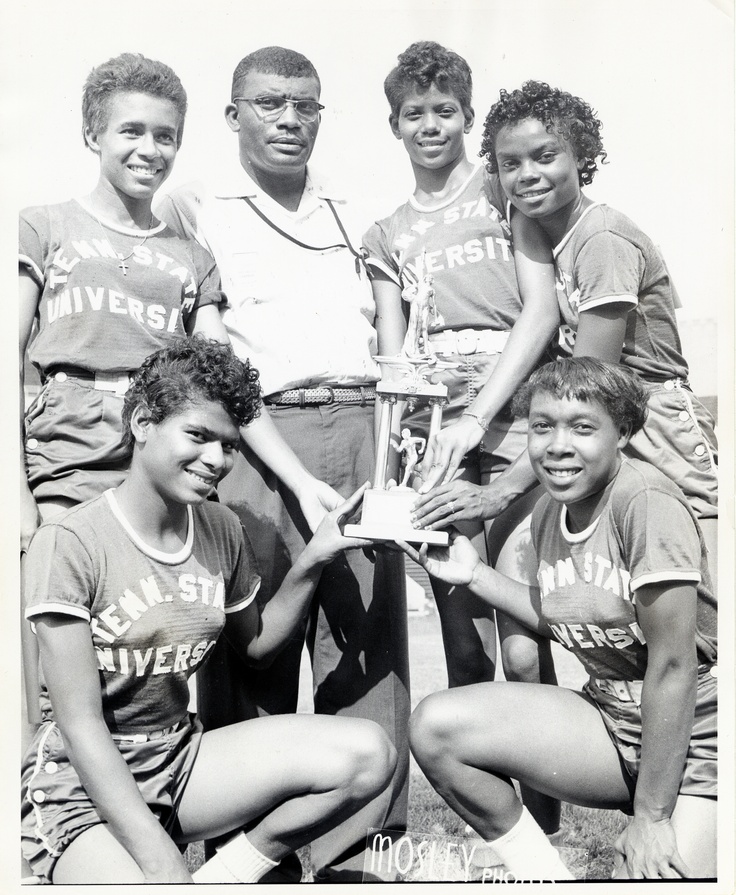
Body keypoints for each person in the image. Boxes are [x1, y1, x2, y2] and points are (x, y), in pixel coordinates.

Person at [18, 52, 336, 754]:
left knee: (152, 654)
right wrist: (15, 490)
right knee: (51, 672)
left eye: (165, 136)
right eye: (131, 132)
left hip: (154, 470)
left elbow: (227, 385)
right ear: (91, 133)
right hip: (65, 471)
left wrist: (300, 479)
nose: (149, 150)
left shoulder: (190, 258)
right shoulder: (44, 228)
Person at [157, 46, 409, 881]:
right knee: (253, 641)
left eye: (305, 105)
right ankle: (252, 856)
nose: (290, 120)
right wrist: (285, 472)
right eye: (270, 104)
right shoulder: (197, 206)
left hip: (358, 424)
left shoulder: (350, 212)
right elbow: (214, 357)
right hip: (257, 438)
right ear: (234, 117)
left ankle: (360, 853)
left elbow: (387, 334)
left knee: (366, 639)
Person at [21, 337, 397, 885]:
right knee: (157, 877)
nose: (217, 460)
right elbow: (79, 726)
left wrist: (315, 557)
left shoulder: (220, 528)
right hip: (78, 782)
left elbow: (257, 648)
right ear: (143, 422)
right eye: (197, 436)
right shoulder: (71, 542)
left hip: (178, 760)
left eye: (227, 444)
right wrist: (157, 854)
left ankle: (226, 873)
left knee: (369, 754)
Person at [402, 357, 717, 881]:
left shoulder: (644, 500)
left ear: (624, 432)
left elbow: (674, 664)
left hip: (703, 730)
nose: (558, 445)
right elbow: (572, 616)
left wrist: (651, 817)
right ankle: (543, 875)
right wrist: (475, 575)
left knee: (655, 878)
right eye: (542, 426)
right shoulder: (552, 508)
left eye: (583, 427)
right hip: (618, 722)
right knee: (438, 728)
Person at [362, 42, 561, 833]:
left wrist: (485, 410)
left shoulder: (502, 194)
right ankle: (509, 834)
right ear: (395, 124)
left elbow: (541, 310)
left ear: (469, 117)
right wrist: (410, 448)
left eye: (446, 110)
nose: (431, 124)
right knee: (464, 636)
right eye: (416, 113)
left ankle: (546, 818)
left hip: (511, 417)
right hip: (435, 434)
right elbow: (391, 352)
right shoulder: (385, 232)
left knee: (520, 636)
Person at [413, 80, 718, 569]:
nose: (527, 175)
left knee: (698, 583)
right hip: (607, 421)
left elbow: (588, 383)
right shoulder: (551, 238)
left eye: (545, 156)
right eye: (510, 164)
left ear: (582, 155)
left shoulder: (602, 238)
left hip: (656, 420)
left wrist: (501, 492)